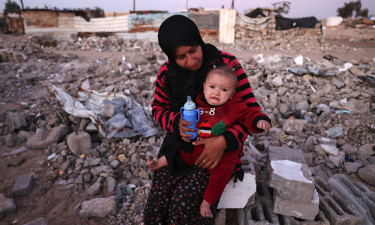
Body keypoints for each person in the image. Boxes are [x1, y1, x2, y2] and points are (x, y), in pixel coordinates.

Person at [144, 15, 269, 225]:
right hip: (180, 145)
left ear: (198, 39)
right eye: (181, 57)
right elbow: (158, 109)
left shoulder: (225, 64)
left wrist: (223, 141)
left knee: (185, 200)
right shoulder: (166, 74)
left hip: (220, 148)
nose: (191, 61)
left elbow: (248, 109)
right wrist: (177, 122)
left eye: (193, 50)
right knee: (159, 197)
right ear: (170, 56)